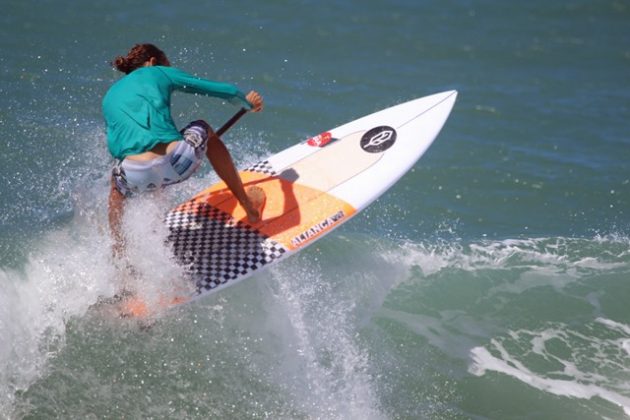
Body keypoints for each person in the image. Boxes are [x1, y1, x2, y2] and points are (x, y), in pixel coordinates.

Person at [103, 43, 264, 257]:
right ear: (152, 62)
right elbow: (226, 91)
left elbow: (116, 148)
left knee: (116, 185)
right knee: (203, 127)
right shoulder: (157, 72)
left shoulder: (109, 97)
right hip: (178, 162)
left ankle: (119, 252)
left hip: (136, 177)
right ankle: (248, 207)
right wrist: (247, 103)